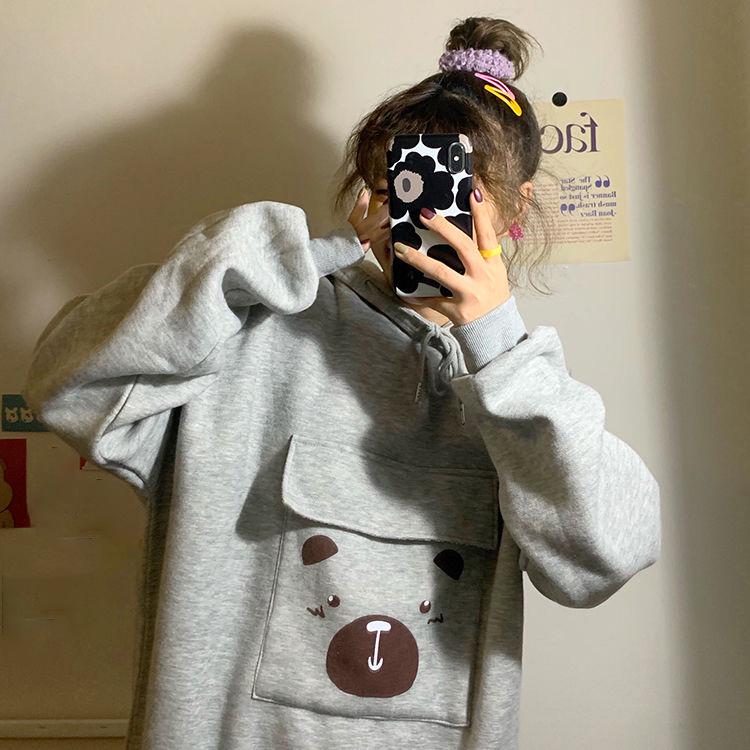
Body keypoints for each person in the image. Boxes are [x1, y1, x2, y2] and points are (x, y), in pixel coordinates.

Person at [22, 15, 661, 750]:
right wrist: (300, 252)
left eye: (459, 192)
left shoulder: (520, 392)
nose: (429, 215)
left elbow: (606, 558)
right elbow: (70, 384)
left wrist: (497, 343)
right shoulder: (249, 329)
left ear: (514, 208)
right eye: (407, 183)